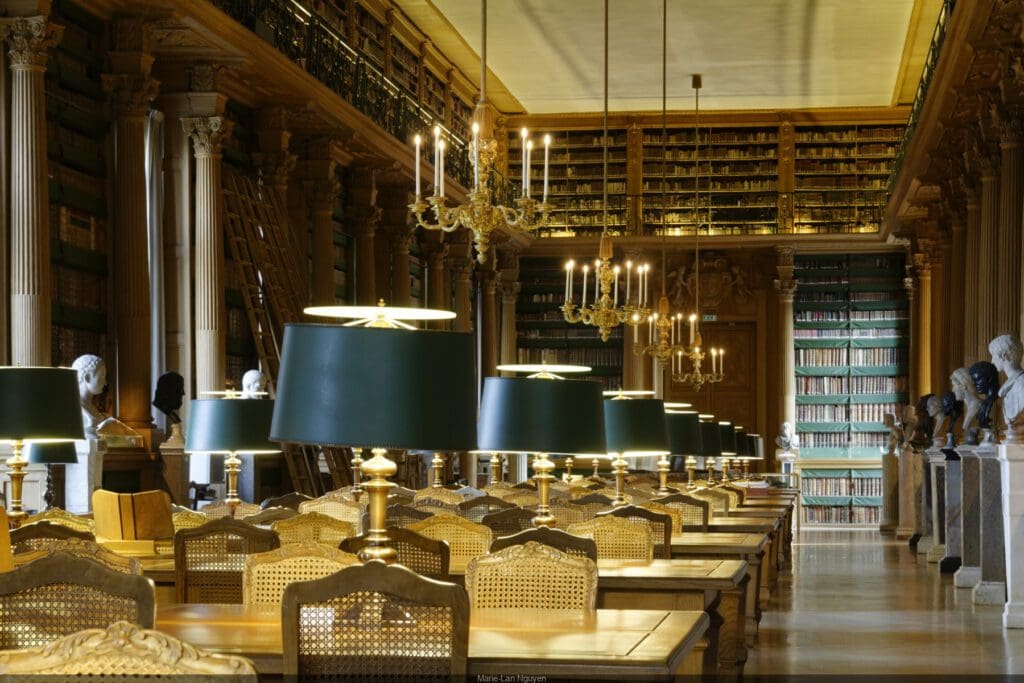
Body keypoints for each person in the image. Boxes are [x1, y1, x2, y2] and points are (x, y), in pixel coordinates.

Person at [990, 334, 1024, 428]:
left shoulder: (1021, 383)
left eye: (993, 356)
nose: (992, 361)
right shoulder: (1008, 387)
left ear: (1003, 355)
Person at [72, 354, 107, 438]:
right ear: (87, 378)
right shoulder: (73, 407)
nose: (105, 382)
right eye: (102, 376)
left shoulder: (90, 406)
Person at [951, 366, 983, 435]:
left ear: (964, 386)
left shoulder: (978, 405)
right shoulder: (970, 407)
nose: (953, 390)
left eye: (954, 386)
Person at [969, 361, 1000, 431]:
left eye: (977, 379)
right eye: (974, 380)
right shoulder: (985, 402)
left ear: (989, 379)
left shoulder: (1001, 399)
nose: (974, 384)